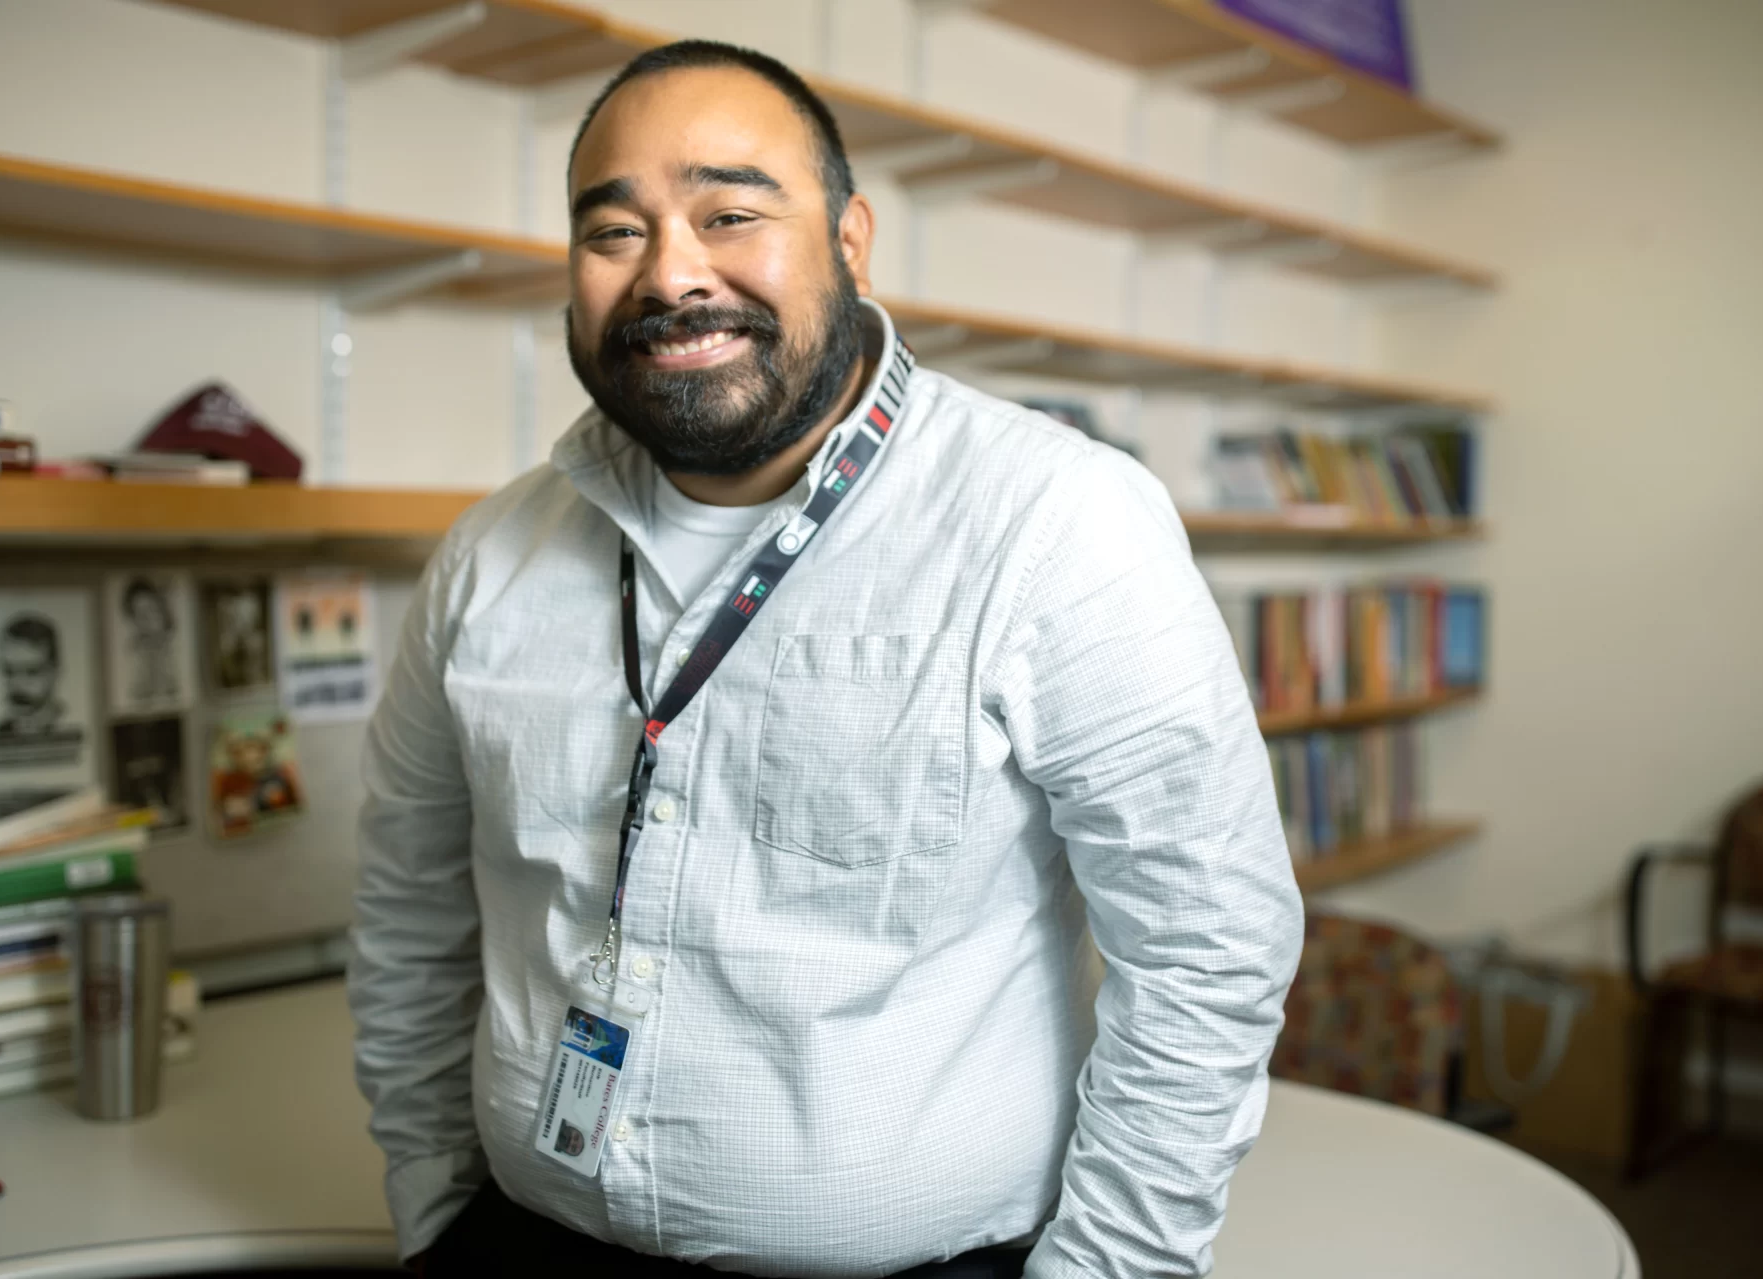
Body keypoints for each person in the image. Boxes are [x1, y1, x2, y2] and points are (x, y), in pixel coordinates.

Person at [351, 38, 1302, 1279]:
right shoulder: (490, 556)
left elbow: (1203, 950)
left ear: (849, 241)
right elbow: (408, 911)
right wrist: (434, 1209)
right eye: (612, 234)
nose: (670, 273)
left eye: (729, 212)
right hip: (527, 1236)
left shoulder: (1057, 522)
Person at [0, 613, 66, 736]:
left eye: (31, 672)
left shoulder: (67, 728)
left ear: (54, 673)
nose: (17, 684)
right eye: (9, 672)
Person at [120, 576, 179, 704]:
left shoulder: (175, 647)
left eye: (151, 610)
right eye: (141, 614)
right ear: (134, 620)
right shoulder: (134, 655)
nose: (148, 619)